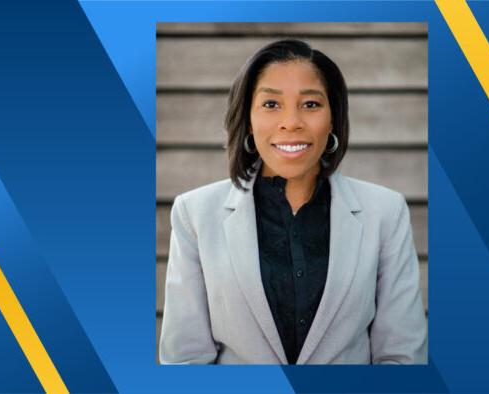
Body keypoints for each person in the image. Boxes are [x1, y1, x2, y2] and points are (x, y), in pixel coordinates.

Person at [159, 39, 427, 364]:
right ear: (248, 118)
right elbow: (184, 361)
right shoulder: (195, 214)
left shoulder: (385, 212)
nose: (291, 122)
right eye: (271, 105)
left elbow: (403, 356)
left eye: (310, 104)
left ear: (333, 118)